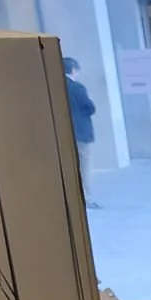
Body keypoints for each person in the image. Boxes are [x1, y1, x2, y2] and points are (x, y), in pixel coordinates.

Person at [63, 56, 99, 208]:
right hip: (80, 133)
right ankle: (86, 198)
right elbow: (90, 108)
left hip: (62, 133)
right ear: (73, 70)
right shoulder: (77, 88)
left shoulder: (53, 86)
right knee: (84, 166)